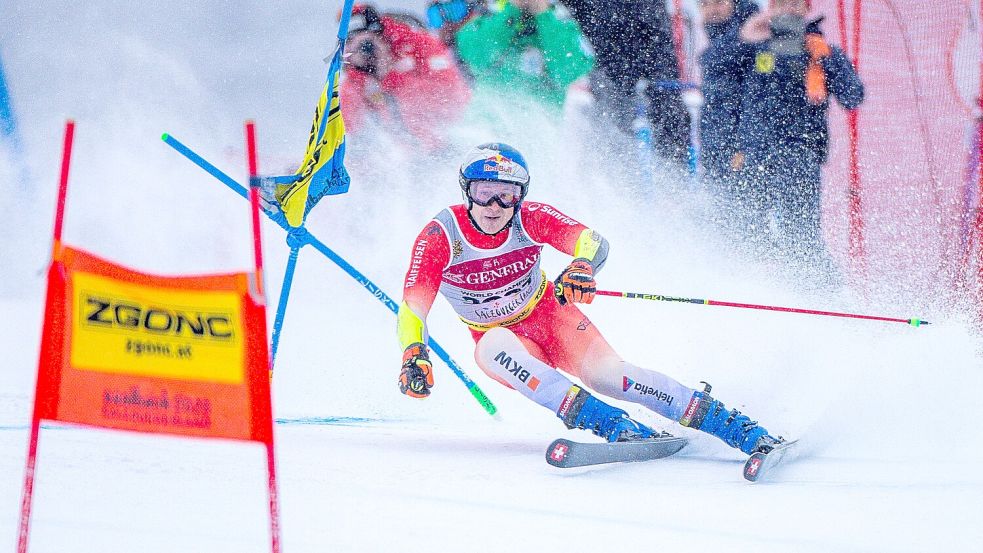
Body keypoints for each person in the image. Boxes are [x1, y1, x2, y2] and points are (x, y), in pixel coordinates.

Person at [396, 142, 783, 456]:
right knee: (493, 348)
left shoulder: (528, 218)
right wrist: (414, 352)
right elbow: (413, 307)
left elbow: (591, 240)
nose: (495, 207)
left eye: (507, 195)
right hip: (502, 339)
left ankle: (734, 427)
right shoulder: (441, 236)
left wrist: (582, 266)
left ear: (520, 196)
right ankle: (613, 425)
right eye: (484, 194)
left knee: (609, 376)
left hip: (551, 316)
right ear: (467, 192)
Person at [734, 0, 864, 267]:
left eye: (795, 4)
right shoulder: (751, 48)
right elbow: (714, 71)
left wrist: (825, 58)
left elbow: (853, 96)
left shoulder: (820, 50)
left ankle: (818, 292)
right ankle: (760, 286)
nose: (789, 10)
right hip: (755, 155)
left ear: (807, 11)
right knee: (748, 228)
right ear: (770, 9)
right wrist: (745, 37)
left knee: (800, 232)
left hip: (800, 154)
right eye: (781, 4)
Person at [564, 0, 692, 168]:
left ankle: (675, 175)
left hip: (644, 67)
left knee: (671, 116)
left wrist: (659, 77)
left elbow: (659, 37)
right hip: (608, 69)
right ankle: (607, 175)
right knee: (610, 126)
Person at [339, 4, 471, 151]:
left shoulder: (418, 45)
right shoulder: (355, 78)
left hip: (449, 139)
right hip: (405, 155)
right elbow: (347, 134)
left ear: (379, 33)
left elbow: (452, 95)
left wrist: (390, 77)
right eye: (349, 42)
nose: (362, 50)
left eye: (365, 43)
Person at [454, 0, 595, 111]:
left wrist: (543, 15)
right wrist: (513, 10)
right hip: (484, 129)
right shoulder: (487, 13)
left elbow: (569, 70)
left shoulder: (562, 22)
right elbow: (478, 55)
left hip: (538, 133)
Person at [697, 0, 759, 189]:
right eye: (705, 4)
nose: (712, 9)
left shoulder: (751, 37)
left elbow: (753, 100)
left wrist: (743, 146)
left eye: (719, 2)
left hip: (740, 148)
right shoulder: (722, 42)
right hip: (715, 148)